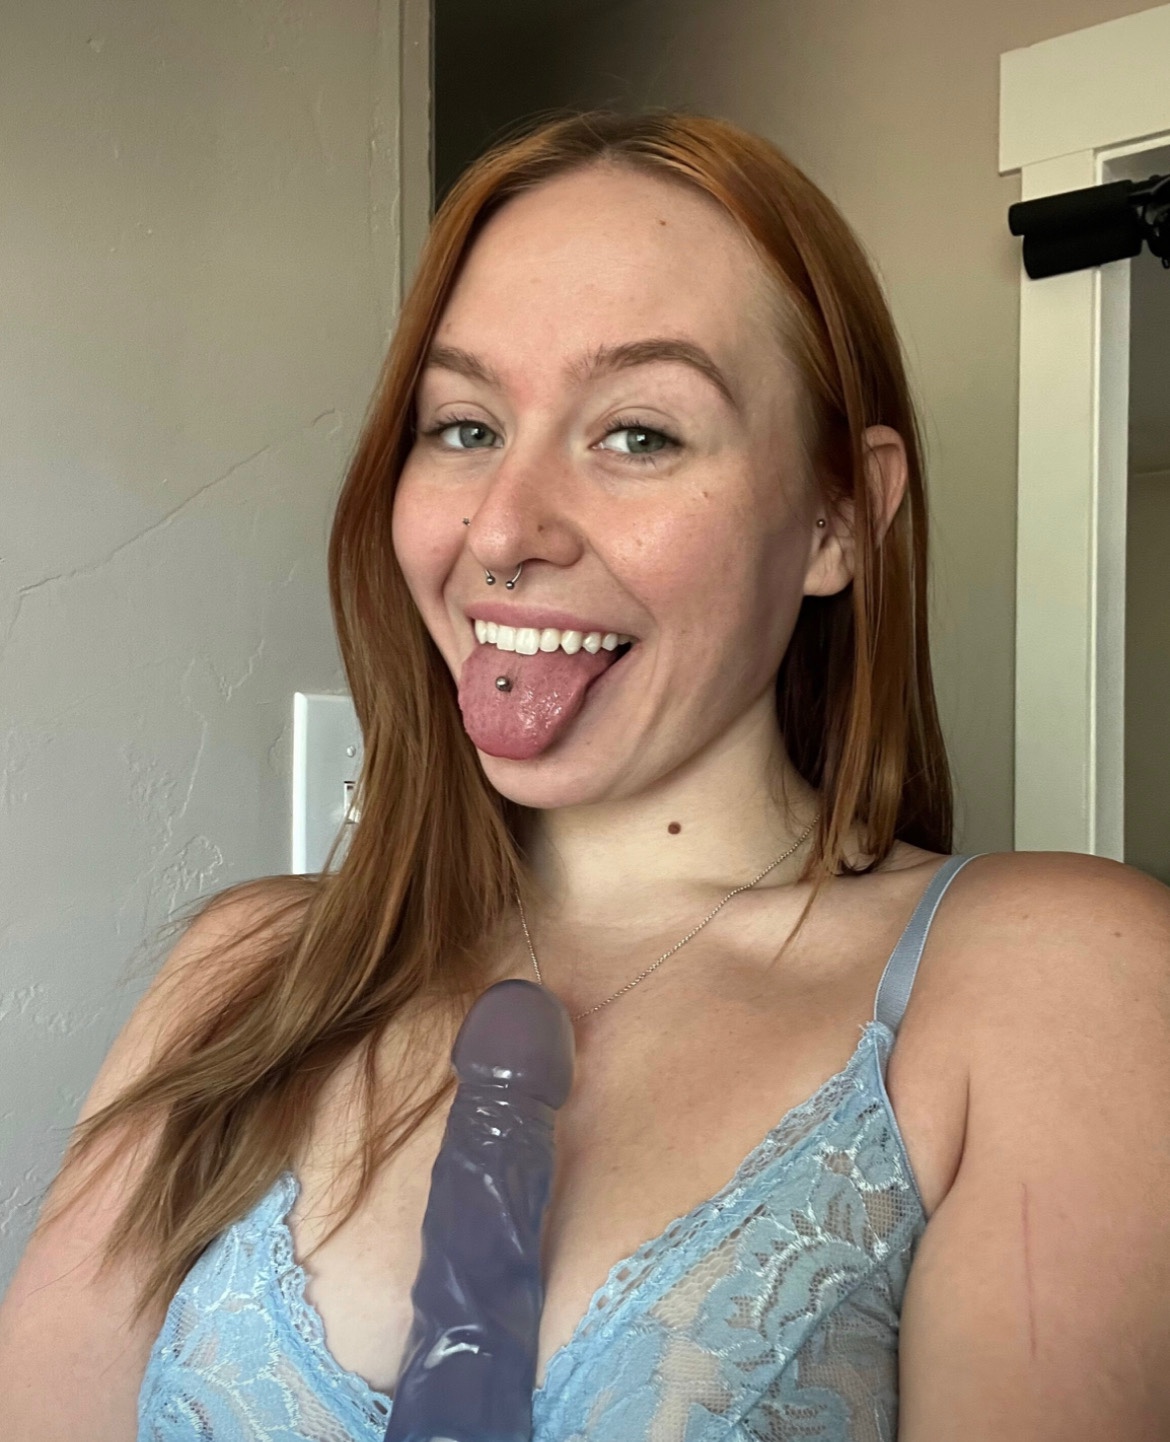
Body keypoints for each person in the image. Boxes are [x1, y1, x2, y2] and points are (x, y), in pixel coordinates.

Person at [2, 109, 1169, 1442]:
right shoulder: (240, 978)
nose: (502, 529)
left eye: (639, 435)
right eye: (462, 425)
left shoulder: (1055, 980)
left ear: (840, 514)